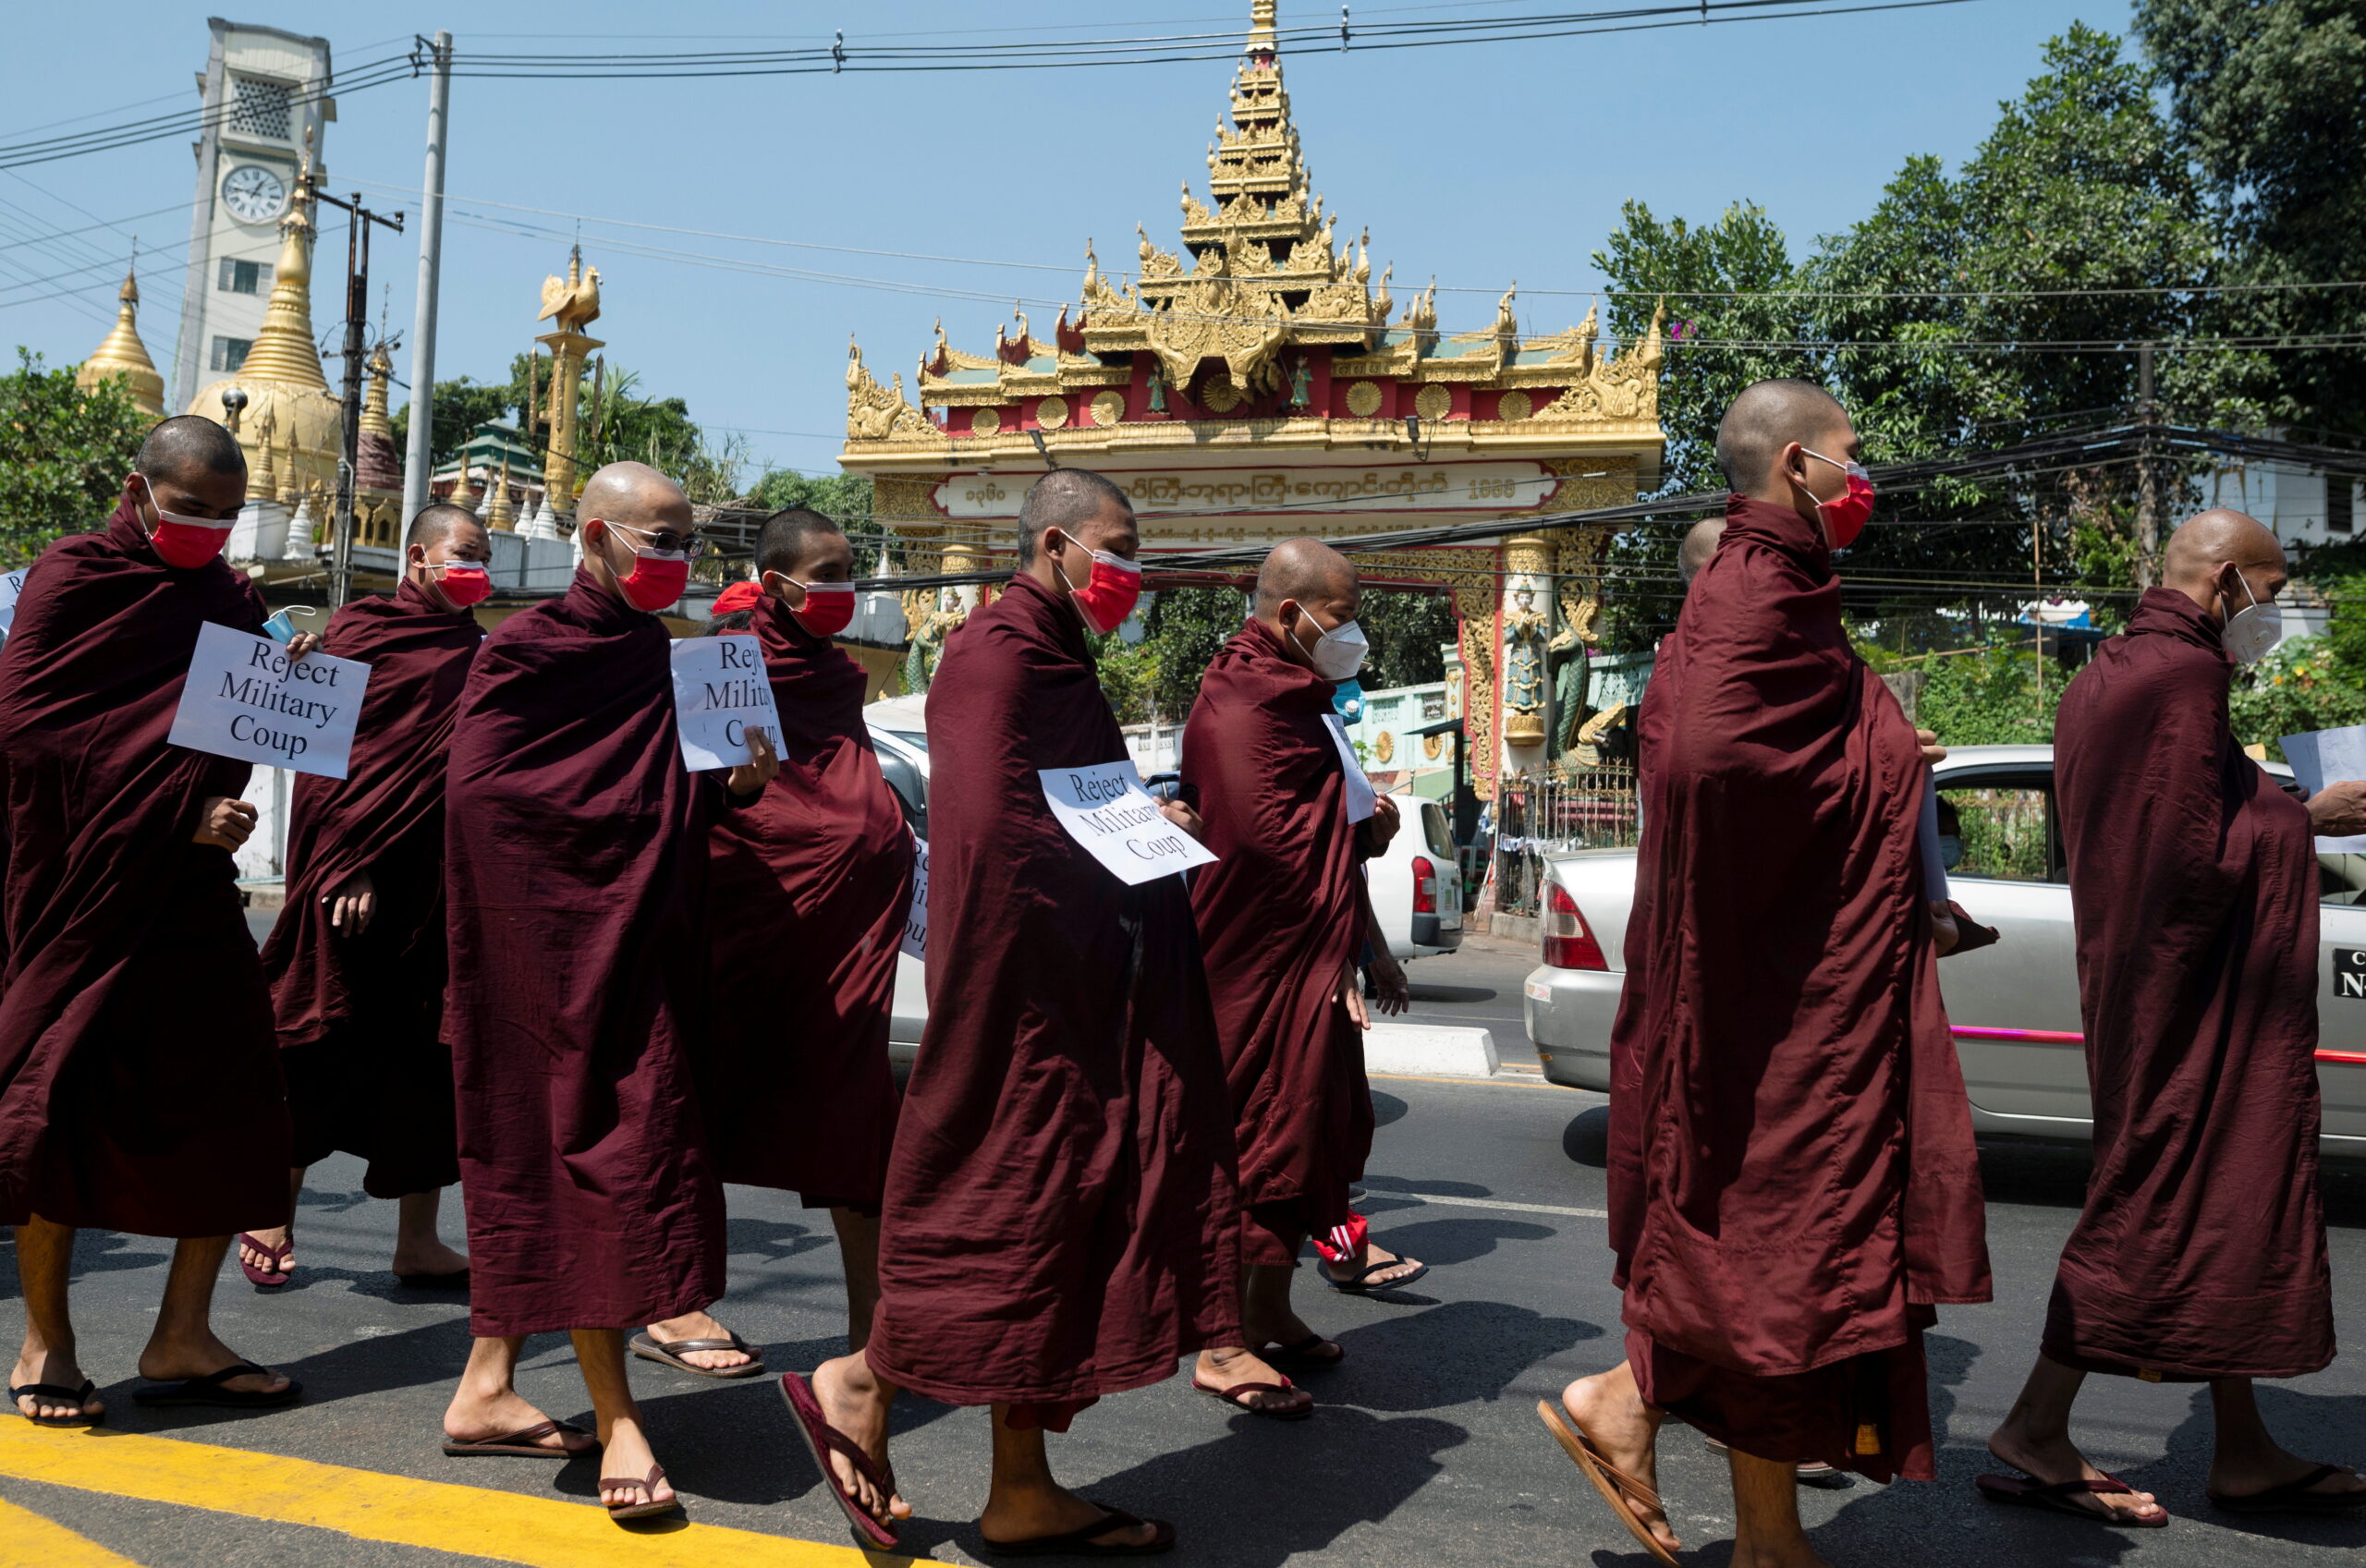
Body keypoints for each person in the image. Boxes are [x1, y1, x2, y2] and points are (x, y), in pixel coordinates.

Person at [1544, 379, 1991, 1568]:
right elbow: (1701, 762)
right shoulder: (1748, 590)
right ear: (1797, 462)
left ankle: (1668, 1446)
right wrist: (1878, 755)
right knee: (1769, 1251)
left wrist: (1870, 743)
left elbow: (1778, 740)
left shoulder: (1778, 589)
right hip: (1762, 992)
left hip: (1798, 981)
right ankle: (1750, 1526)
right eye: (1855, 454)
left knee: (1768, 1251)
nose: (1868, 477)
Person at [787, 468, 1244, 1555]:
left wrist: (1143, 813)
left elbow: (1066, 800)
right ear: (1054, 542)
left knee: (1051, 1230)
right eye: (1118, 546)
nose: (1131, 570)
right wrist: (1112, 859)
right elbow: (1000, 842)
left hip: (1074, 989)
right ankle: (858, 1380)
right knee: (992, 1215)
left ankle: (1022, 1487)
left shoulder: (1052, 651)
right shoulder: (991, 654)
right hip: (1021, 998)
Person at [1982, 509, 2366, 1525]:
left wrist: (2267, 803)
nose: (2276, 615)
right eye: (2275, 593)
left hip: (2145, 982)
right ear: (2229, 579)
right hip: (2187, 996)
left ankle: (2240, 1447)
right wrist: (2307, 819)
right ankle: (2031, 1421)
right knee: (2159, 1195)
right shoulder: (2183, 678)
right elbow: (2188, 860)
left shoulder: (2113, 667)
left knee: (2218, 1201)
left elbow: (2187, 810)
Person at [439, 462, 775, 1520]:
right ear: (596, 537)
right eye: (659, 539)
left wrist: (735, 786)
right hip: (547, 953)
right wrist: (618, 843)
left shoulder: (672, 662)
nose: (676, 562)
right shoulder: (527, 651)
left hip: (642, 949)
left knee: (576, 1166)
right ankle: (620, 1417)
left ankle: (483, 1386)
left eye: (687, 544)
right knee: (595, 1167)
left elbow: (680, 798)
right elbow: (483, 795)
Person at [2, 417, 315, 1424]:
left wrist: (289, 669)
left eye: (227, 517)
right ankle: (46, 1336)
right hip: (75, 886)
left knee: (234, 1104)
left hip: (188, 892)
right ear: (138, 492)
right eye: (191, 511)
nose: (210, 533)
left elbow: (241, 691)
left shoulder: (228, 594)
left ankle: (182, 1329)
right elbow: (30, 727)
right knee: (63, 1104)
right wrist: (176, 807)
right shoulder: (75, 575)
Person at [640, 509, 911, 1382]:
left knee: (854, 1111)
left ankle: (871, 1320)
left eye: (848, 574)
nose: (842, 590)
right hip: (749, 922)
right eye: (825, 573)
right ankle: (672, 1298)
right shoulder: (721, 661)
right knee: (699, 1105)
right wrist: (738, 792)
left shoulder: (837, 676)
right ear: (779, 579)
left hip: (844, 941)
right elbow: (701, 794)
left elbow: (845, 774)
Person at [1181, 538, 1425, 1416]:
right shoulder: (1240, 703)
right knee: (1254, 1146)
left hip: (1307, 958)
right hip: (1256, 968)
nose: (1352, 632)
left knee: (1307, 1139)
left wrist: (1365, 936)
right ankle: (1221, 1343)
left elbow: (1323, 838)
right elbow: (1265, 853)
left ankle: (1271, 1308)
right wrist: (1332, 953)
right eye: (1342, 614)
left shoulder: (1303, 700)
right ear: (1290, 615)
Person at [238, 504, 491, 1296]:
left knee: (435, 1056)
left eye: (484, 556)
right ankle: (275, 1212)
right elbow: (323, 756)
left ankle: (418, 1239)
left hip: (436, 884)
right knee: (317, 1038)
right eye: (465, 553)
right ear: (419, 557)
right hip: (356, 877)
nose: (476, 568)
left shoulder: (479, 649)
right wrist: (345, 858)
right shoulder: (363, 631)